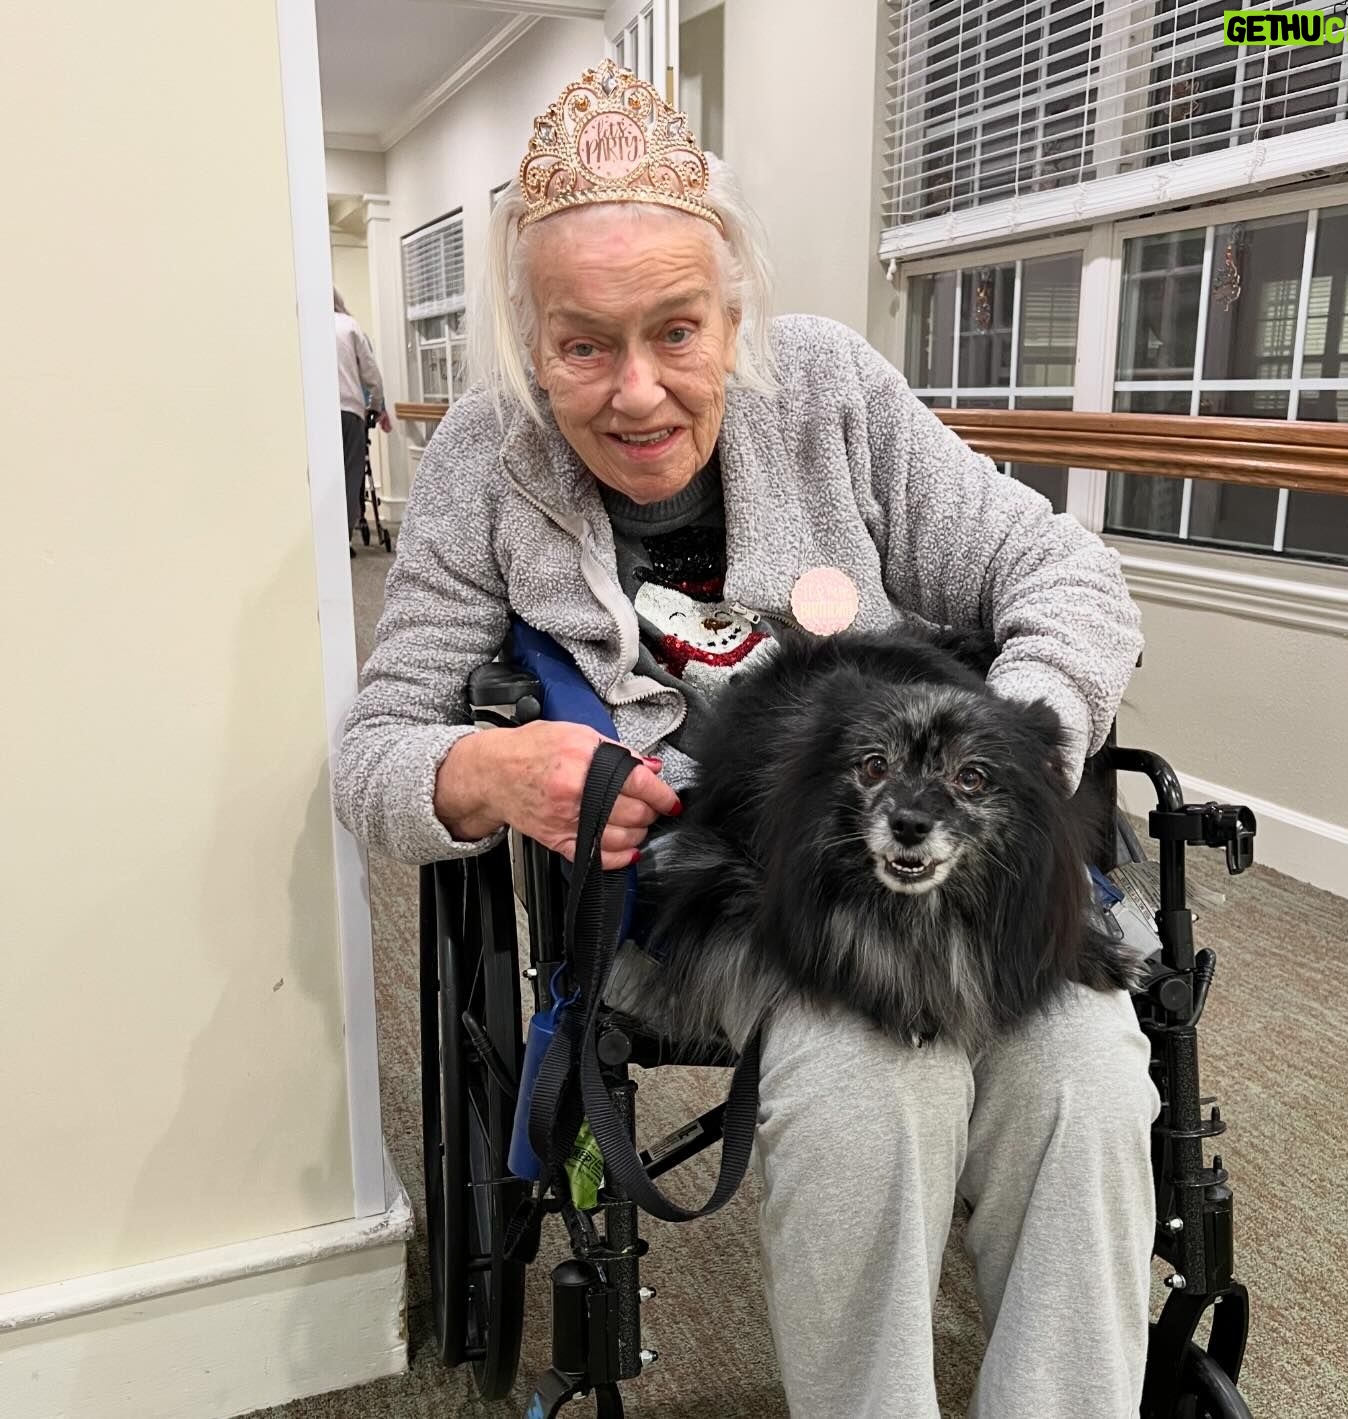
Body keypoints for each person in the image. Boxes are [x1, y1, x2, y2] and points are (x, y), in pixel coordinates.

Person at [334, 59, 1157, 1419]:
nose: (638, 392)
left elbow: (1069, 579)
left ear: (735, 315)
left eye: (678, 331)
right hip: (705, 900)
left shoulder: (826, 388)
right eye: (582, 345)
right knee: (872, 1079)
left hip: (939, 854)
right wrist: (483, 770)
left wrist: (1012, 766)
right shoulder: (484, 462)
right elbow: (376, 750)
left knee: (1088, 1072)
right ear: (528, 342)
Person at [334, 287, 392, 551]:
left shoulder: (305, 327)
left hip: (315, 415)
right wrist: (377, 406)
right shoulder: (349, 326)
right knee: (350, 475)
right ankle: (341, 540)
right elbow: (371, 374)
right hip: (349, 410)